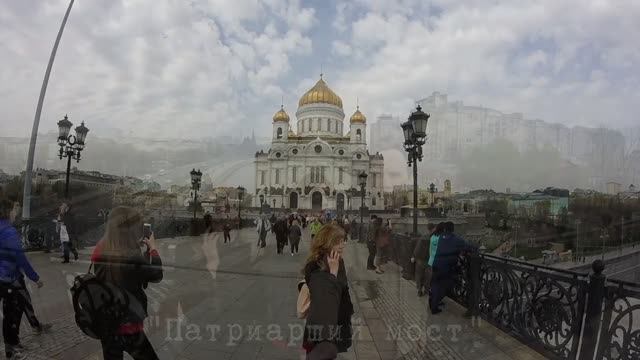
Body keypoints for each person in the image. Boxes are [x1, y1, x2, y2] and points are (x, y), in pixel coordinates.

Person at [90, 206, 163, 359]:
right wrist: (153, 249)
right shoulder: (131, 256)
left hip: (108, 324)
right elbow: (156, 275)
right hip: (129, 327)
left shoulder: (100, 248)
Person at [0, 199, 44, 359]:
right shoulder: (9, 231)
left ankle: (13, 346)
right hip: (7, 280)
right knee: (10, 316)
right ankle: (11, 352)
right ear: (8, 211)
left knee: (13, 313)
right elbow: (20, 258)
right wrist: (35, 277)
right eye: (14, 209)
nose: (16, 212)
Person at [302, 224, 353, 359]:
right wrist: (333, 275)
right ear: (327, 242)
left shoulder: (337, 261)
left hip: (334, 322)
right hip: (322, 330)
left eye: (343, 241)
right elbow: (325, 301)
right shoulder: (316, 265)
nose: (342, 245)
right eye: (338, 242)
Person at [429, 222, 476, 315]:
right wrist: (475, 248)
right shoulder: (456, 239)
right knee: (446, 285)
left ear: (445, 229)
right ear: (453, 229)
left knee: (435, 284)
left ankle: (432, 303)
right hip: (446, 267)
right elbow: (468, 246)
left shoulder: (441, 237)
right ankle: (434, 305)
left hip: (436, 264)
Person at [411, 223, 436, 297]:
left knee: (419, 275)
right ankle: (426, 290)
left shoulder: (423, 237)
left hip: (420, 260)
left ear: (428, 229)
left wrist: (414, 256)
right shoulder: (435, 238)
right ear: (433, 228)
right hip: (430, 260)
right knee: (428, 276)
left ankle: (419, 290)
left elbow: (417, 249)